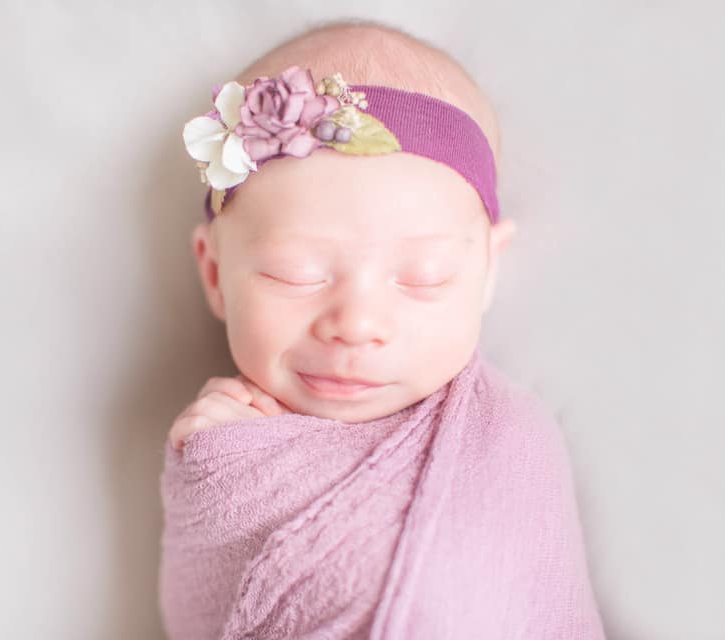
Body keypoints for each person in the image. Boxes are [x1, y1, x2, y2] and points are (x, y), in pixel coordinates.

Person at [160, 20, 606, 639]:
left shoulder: (513, 447)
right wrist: (219, 472)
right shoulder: (226, 438)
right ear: (214, 272)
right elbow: (194, 616)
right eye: (296, 274)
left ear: (486, 272)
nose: (357, 325)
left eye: (422, 278)